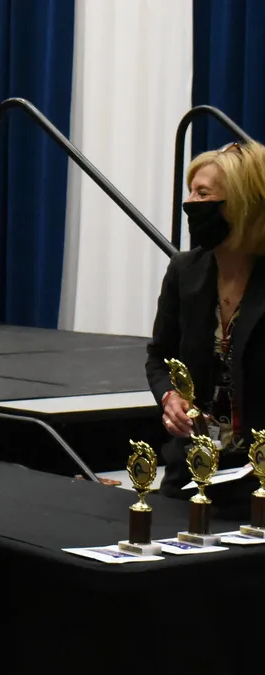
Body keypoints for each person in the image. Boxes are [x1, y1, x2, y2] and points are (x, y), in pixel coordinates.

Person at [147, 140, 265, 511]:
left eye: (203, 193)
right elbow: (159, 356)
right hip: (192, 469)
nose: (191, 205)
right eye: (190, 193)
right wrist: (170, 397)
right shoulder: (185, 271)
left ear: (243, 205)